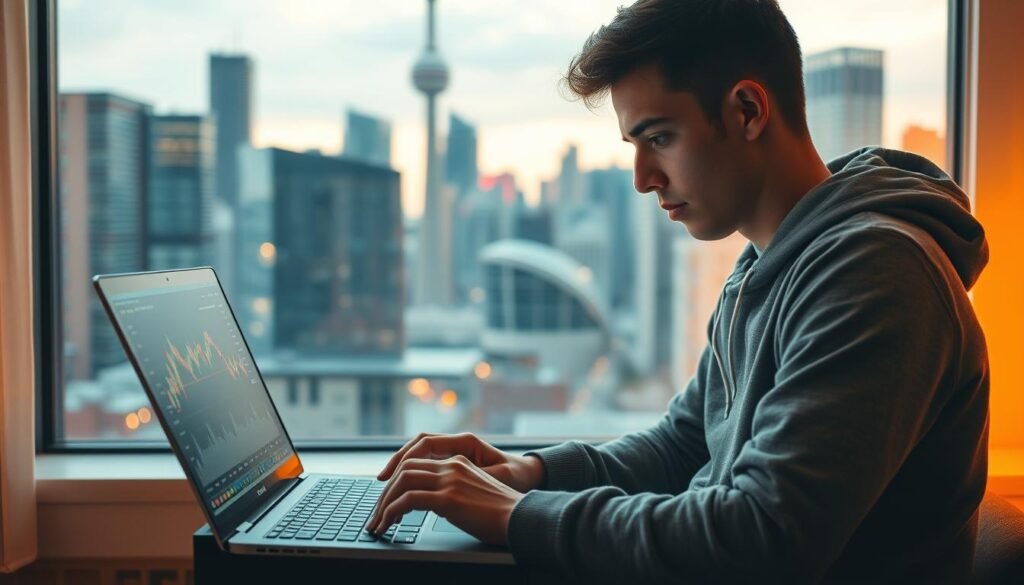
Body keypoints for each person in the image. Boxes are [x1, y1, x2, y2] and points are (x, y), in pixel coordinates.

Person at [367, 0, 990, 582]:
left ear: (747, 110)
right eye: (635, 146)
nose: (643, 179)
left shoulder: (877, 271)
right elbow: (683, 443)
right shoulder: (767, 265)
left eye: (659, 138)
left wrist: (512, 515)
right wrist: (528, 473)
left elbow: (761, 535)